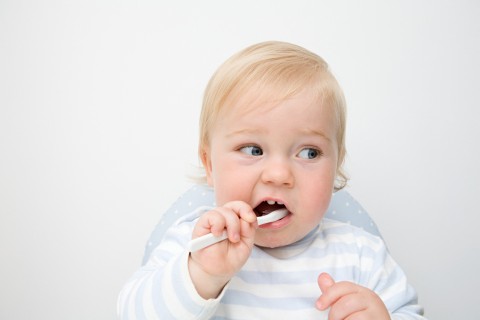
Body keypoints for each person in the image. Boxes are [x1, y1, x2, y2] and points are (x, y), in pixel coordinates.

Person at [118, 41, 425, 319]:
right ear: (210, 164)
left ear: (336, 166)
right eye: (253, 149)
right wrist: (201, 275)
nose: (279, 175)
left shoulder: (362, 255)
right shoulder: (195, 243)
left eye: (309, 153)